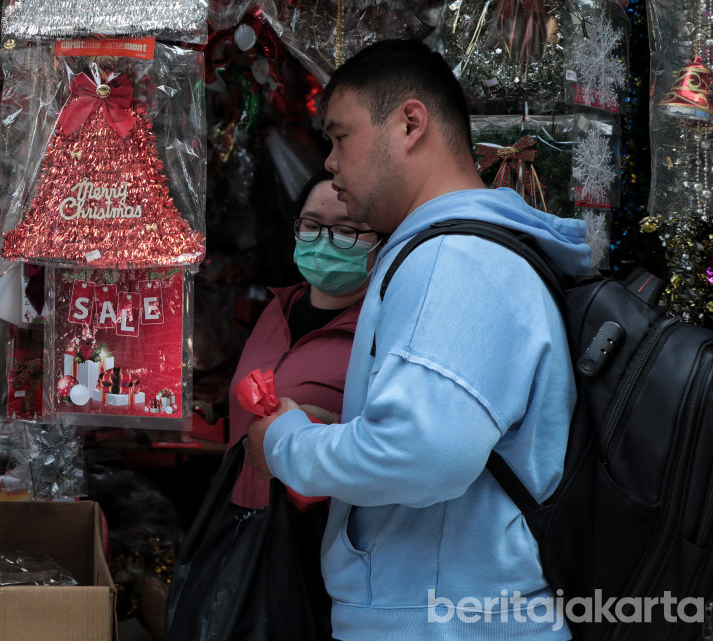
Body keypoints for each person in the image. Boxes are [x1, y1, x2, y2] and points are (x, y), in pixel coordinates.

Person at [247, 39, 587, 639]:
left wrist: (286, 444)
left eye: (340, 137)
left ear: (409, 124)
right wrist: (344, 432)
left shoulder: (454, 258)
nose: (329, 162)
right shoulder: (455, 250)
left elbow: (422, 454)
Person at [226, 169, 379, 509]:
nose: (324, 240)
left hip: (312, 527)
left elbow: (393, 445)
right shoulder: (277, 308)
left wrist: (328, 425)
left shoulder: (381, 331)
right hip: (239, 518)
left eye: (347, 231)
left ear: (381, 241)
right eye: (311, 225)